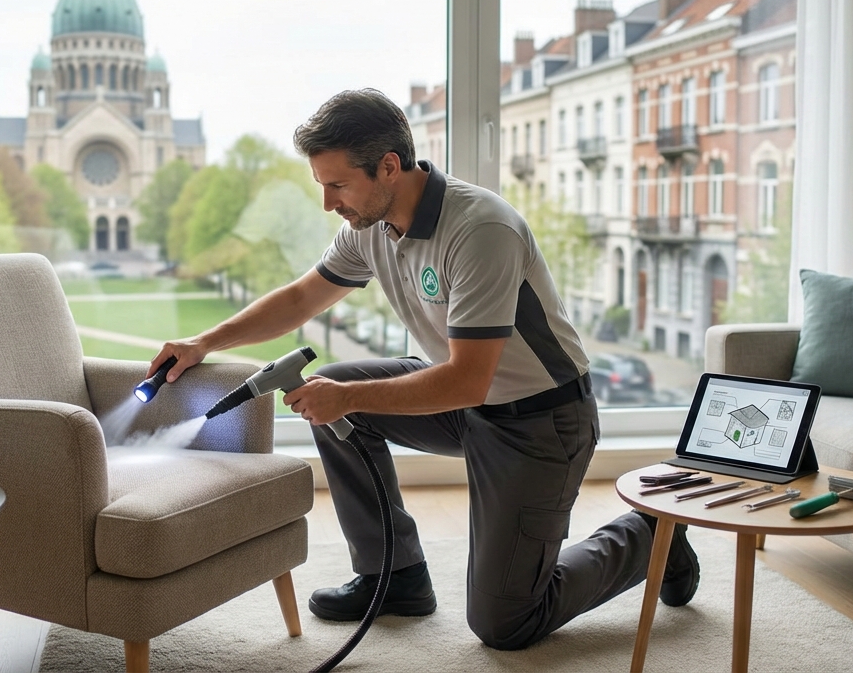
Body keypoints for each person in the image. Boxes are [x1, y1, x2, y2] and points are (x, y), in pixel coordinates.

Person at [148, 88, 699, 650]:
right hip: (462, 403)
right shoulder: (370, 226)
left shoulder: (481, 229)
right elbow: (300, 299)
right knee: (331, 396)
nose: (328, 203)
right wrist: (203, 342)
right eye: (322, 185)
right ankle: (395, 577)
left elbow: (467, 380)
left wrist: (347, 400)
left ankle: (651, 536)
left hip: (539, 421)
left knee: (506, 622)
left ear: (389, 167)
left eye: (337, 185)